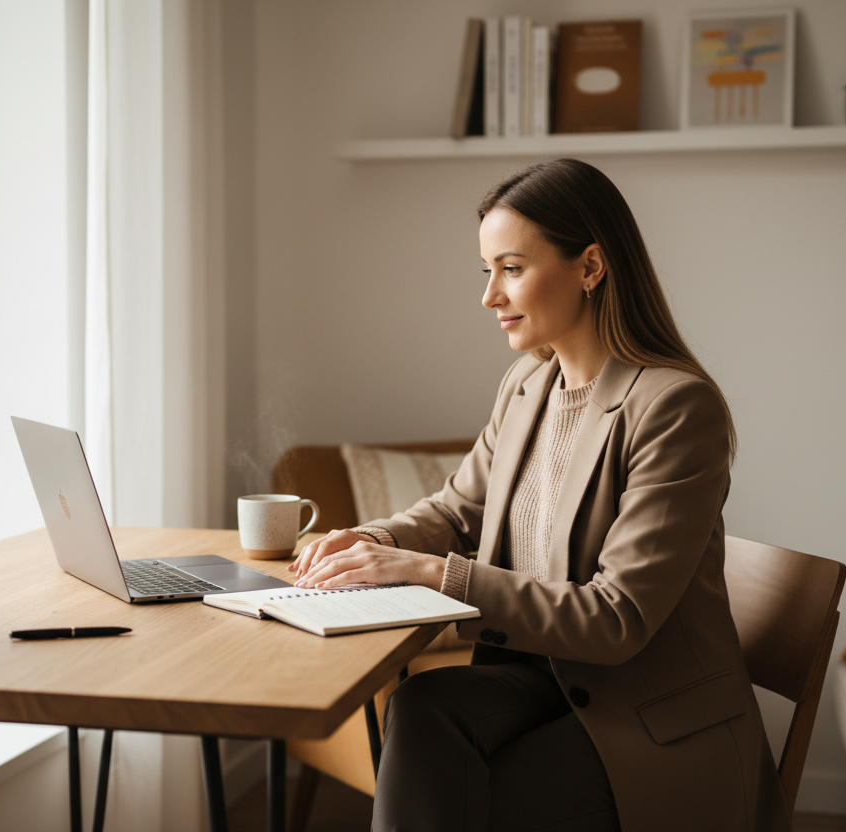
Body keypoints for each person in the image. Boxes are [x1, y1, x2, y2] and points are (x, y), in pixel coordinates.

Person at [287, 158, 791, 832]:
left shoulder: (674, 408)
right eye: (486, 271)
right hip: (548, 683)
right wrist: (373, 541)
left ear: (589, 267)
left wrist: (434, 575)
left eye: (512, 268)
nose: (490, 296)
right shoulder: (528, 386)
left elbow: (617, 619)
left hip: (645, 718)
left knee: (466, 796)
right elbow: (457, 510)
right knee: (422, 707)